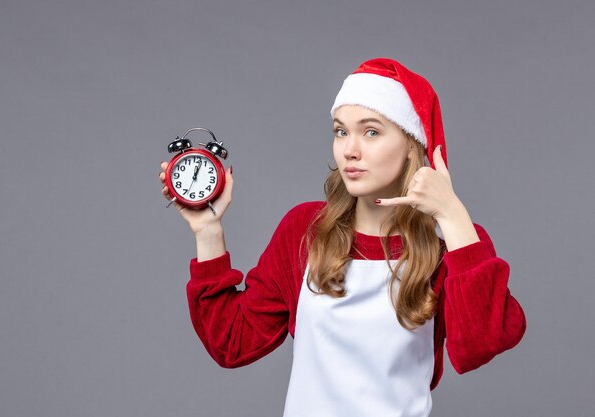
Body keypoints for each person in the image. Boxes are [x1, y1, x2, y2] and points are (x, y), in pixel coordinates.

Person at [158, 58, 527, 417]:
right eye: (340, 131)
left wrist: (451, 214)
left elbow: (479, 346)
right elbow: (232, 343)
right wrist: (208, 231)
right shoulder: (306, 231)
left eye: (371, 131)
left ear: (412, 144)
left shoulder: (452, 244)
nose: (350, 149)